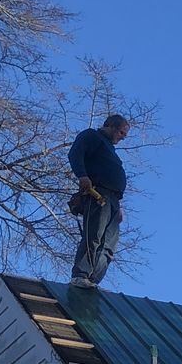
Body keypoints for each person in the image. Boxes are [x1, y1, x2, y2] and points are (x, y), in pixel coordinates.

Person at [68, 113, 131, 287]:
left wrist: (118, 206)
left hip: (114, 199)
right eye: (121, 133)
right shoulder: (91, 136)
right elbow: (75, 153)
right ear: (110, 125)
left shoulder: (111, 150)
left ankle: (93, 280)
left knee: (109, 244)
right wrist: (82, 176)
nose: (122, 138)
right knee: (94, 235)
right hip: (99, 193)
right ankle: (80, 275)